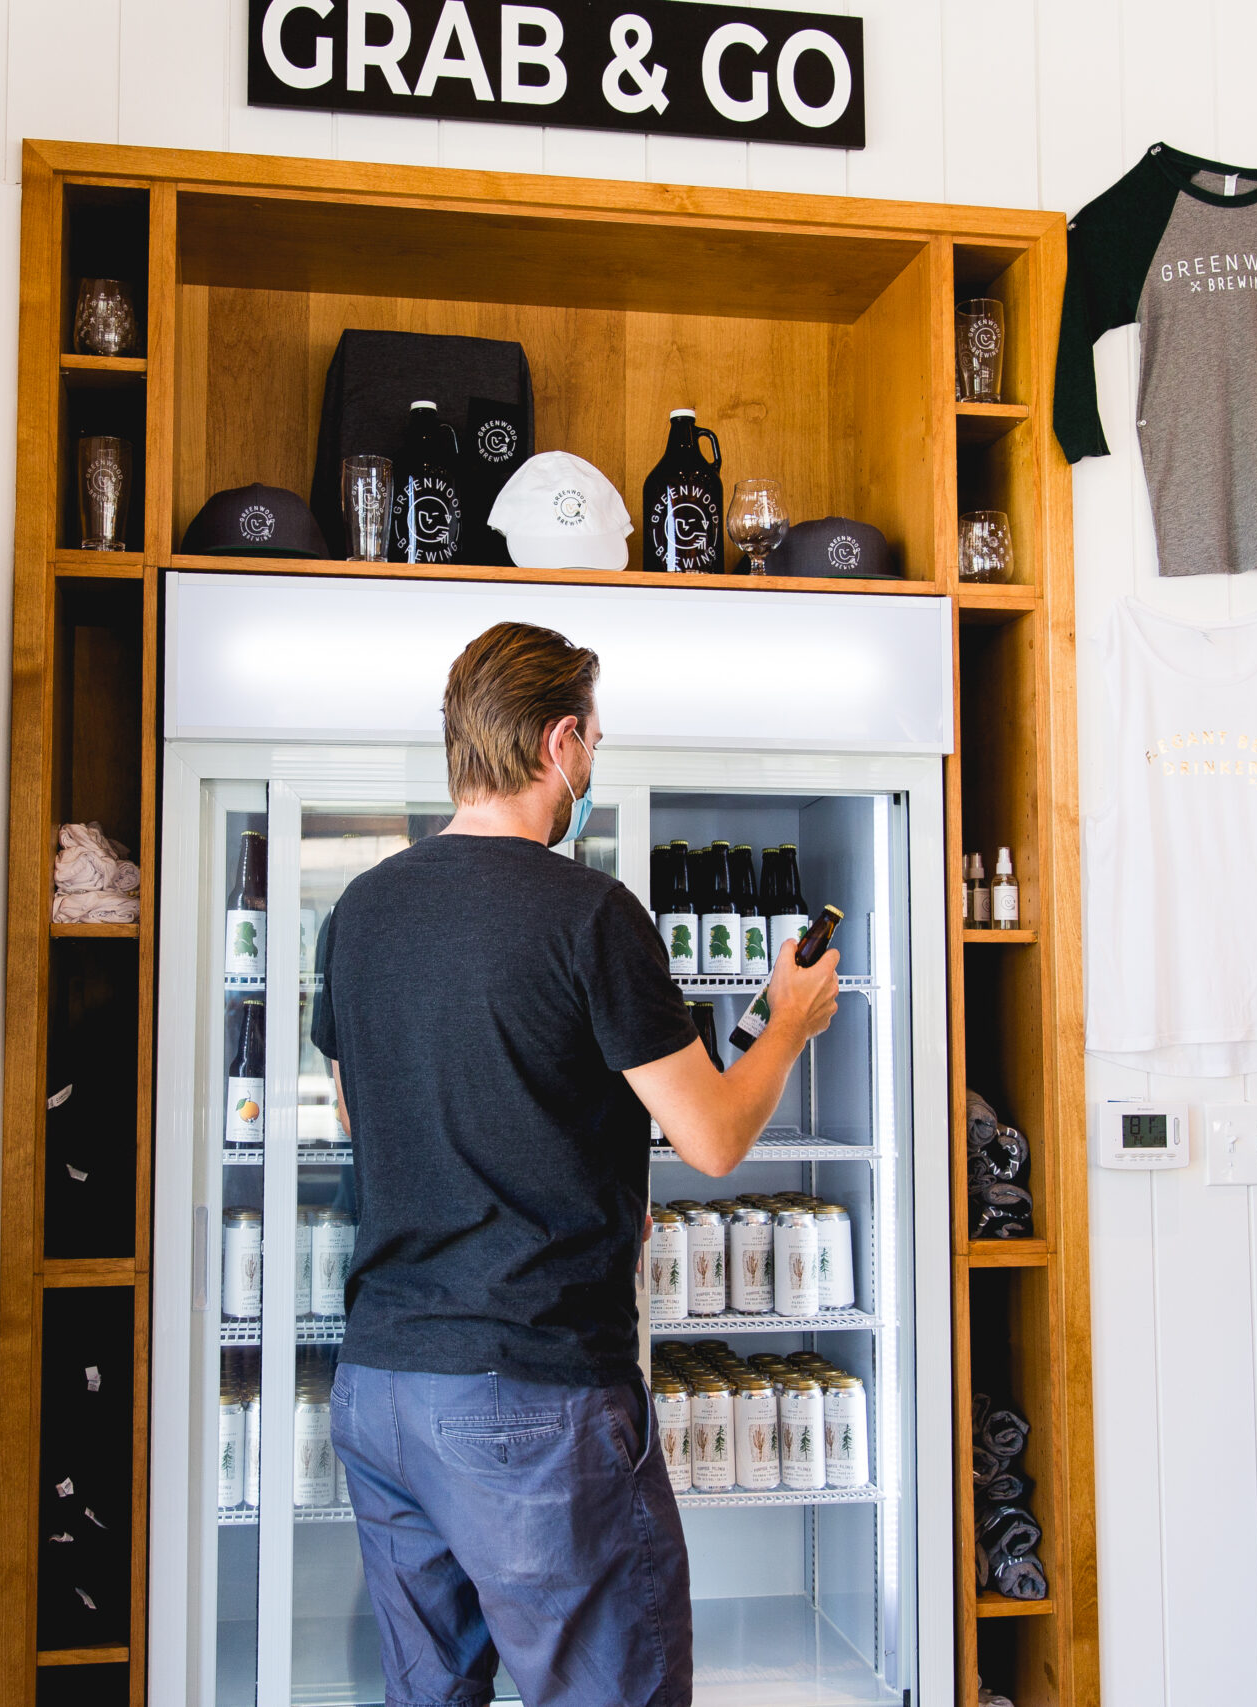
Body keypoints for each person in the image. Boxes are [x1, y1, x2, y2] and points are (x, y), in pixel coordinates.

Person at [309, 621, 841, 1707]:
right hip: (526, 1393)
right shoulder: (590, 915)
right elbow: (713, 1136)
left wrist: (576, 1185)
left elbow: (374, 1121)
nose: (593, 761)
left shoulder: (363, 909)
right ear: (558, 743)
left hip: (381, 1388)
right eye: (593, 738)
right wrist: (785, 1021)